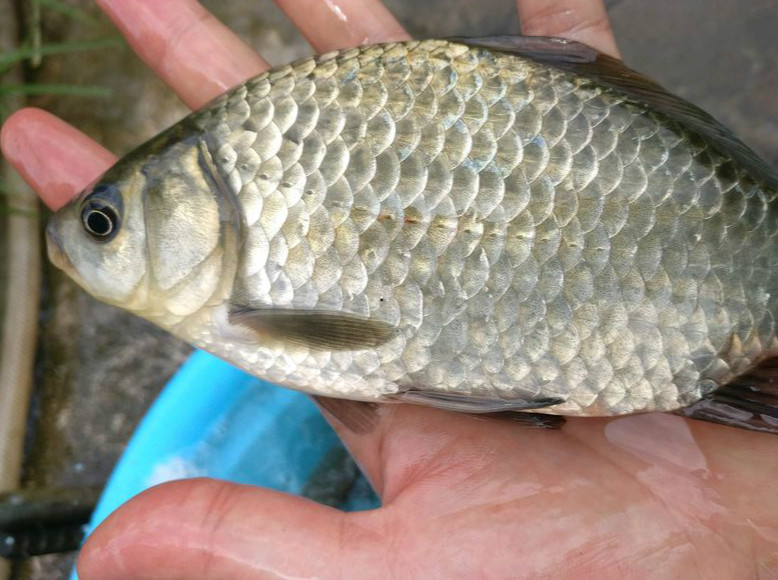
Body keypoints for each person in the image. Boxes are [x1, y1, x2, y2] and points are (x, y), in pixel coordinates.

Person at [2, 1, 777, 578]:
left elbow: (353, 345)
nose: (84, 237)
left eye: (104, 223)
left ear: (203, 206)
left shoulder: (252, 299)